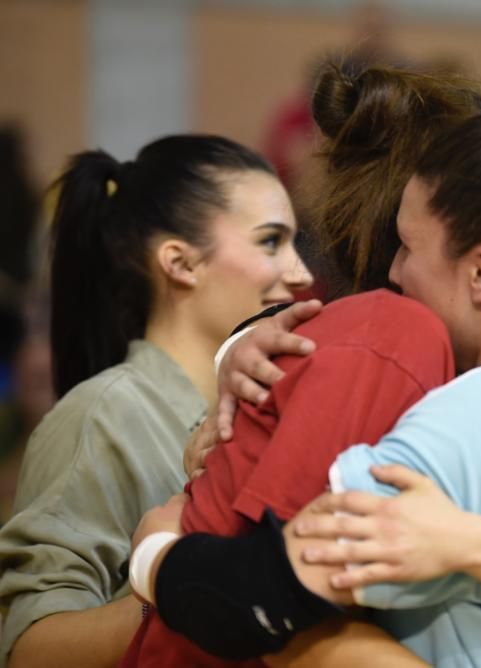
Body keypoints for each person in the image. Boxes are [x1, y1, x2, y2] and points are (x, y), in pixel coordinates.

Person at [126, 64, 481, 668]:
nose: (395, 274)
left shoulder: (465, 421)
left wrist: (154, 554)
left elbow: (257, 603)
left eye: (408, 246)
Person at [0, 134, 312, 668]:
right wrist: (178, 586)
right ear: (180, 263)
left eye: (294, 243)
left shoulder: (267, 407)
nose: (301, 273)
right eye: (269, 242)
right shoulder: (105, 414)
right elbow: (30, 648)